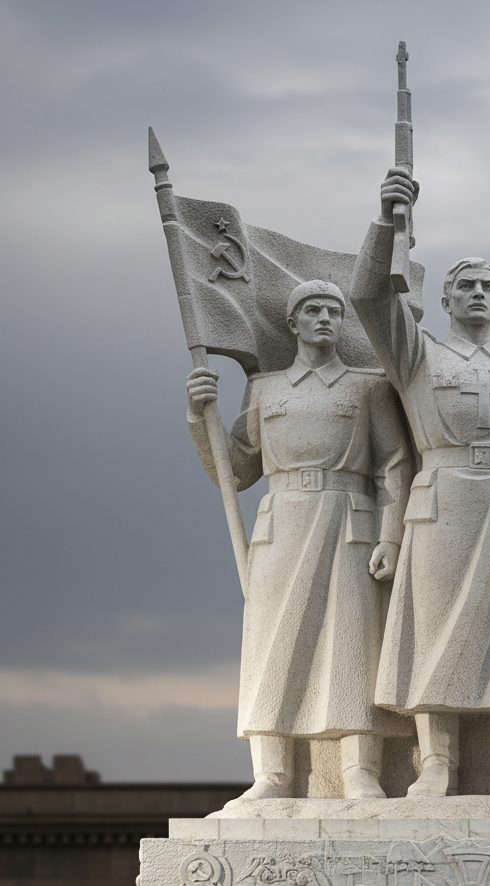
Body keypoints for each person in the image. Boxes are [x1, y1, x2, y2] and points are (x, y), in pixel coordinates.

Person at [349, 169, 490, 799]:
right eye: (466, 285)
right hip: (443, 502)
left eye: (488, 286)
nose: (478, 292)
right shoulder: (419, 357)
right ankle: (436, 764)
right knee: (435, 630)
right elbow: (368, 299)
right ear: (446, 301)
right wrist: (388, 218)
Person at [186, 281, 412, 802]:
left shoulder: (367, 386)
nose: (325, 319)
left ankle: (360, 769)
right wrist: (203, 419)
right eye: (313, 310)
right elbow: (237, 468)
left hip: (349, 519)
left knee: (354, 644)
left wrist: (391, 535)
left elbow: (393, 467)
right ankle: (273, 772)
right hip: (282, 523)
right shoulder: (266, 389)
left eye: (334, 311)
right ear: (293, 323)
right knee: (271, 645)